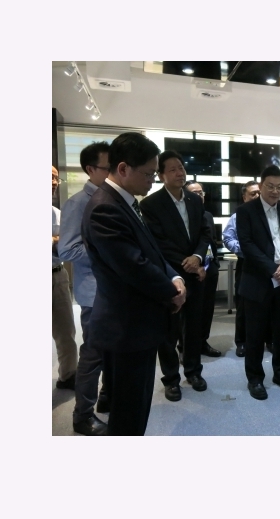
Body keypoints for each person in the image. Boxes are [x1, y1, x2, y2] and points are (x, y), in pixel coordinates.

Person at [81, 132, 186, 436]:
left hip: (135, 324)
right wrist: (173, 292)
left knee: (134, 406)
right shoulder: (106, 207)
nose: (153, 180)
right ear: (123, 168)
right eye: (149, 174)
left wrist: (175, 276)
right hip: (127, 327)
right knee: (129, 413)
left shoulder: (125, 202)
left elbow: (152, 252)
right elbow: (134, 267)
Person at [139, 151, 212, 401]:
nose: (180, 173)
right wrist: (188, 263)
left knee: (194, 327)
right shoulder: (150, 204)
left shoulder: (194, 200)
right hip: (169, 276)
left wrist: (198, 258)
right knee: (169, 331)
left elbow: (205, 233)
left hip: (195, 273)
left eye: (181, 167)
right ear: (161, 175)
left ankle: (193, 371)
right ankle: (171, 378)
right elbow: (158, 243)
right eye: (173, 169)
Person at [58, 141, 110, 436]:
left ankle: (106, 396)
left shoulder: (111, 197)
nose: (114, 172)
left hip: (113, 292)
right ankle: (82, 415)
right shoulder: (78, 203)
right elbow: (67, 250)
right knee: (93, 355)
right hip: (93, 293)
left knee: (111, 350)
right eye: (107, 167)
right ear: (91, 169)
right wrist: (109, 251)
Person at [236, 165, 280, 400]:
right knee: (255, 333)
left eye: (279, 187)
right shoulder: (246, 211)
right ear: (261, 185)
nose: (275, 191)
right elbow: (247, 245)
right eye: (270, 186)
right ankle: (255, 379)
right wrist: (273, 269)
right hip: (258, 280)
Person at [222, 180, 261, 357]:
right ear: (244, 197)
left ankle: (269, 339)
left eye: (259, 193)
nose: (257, 196)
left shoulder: (270, 214)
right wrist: (245, 249)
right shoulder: (238, 216)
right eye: (253, 193)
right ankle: (242, 342)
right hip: (246, 264)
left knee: (268, 304)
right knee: (244, 306)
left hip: (268, 266)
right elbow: (228, 238)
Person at [185, 181, 222, 357]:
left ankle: (202, 342)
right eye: (194, 193)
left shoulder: (207, 215)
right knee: (189, 312)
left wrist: (214, 263)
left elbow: (210, 240)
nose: (198, 196)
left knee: (207, 309)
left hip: (210, 267)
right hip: (191, 269)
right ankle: (184, 347)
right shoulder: (183, 214)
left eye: (201, 192)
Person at [52, 165, 78, 391]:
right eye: (49, 178)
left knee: (66, 330)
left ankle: (68, 375)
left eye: (56, 179)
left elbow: (67, 245)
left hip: (57, 274)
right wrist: (55, 240)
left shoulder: (57, 213)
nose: (53, 183)